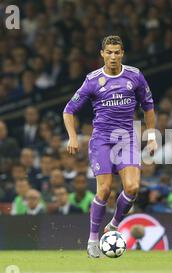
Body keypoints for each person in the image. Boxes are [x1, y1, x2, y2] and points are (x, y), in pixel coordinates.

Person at [63, 35, 157, 258]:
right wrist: (73, 137)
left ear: (122, 53)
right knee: (104, 190)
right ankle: (93, 239)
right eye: (109, 52)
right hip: (102, 139)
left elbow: (148, 106)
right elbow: (68, 110)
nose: (113, 56)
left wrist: (152, 136)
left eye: (117, 52)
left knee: (132, 187)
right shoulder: (93, 80)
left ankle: (113, 225)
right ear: (102, 54)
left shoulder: (135, 76)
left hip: (127, 139)